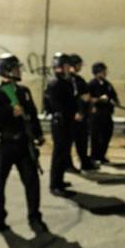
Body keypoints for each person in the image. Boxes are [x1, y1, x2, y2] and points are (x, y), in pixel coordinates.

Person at [0, 53, 48, 233]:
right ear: (6, 70)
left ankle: (35, 216)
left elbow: (32, 114)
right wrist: (9, 110)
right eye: (16, 67)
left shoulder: (23, 91)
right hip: (3, 144)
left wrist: (38, 135)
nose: (19, 70)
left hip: (23, 144)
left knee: (32, 182)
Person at [44, 53, 77, 196]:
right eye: (67, 65)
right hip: (60, 122)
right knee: (59, 153)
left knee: (64, 153)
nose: (70, 68)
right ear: (62, 67)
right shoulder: (55, 83)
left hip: (67, 121)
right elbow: (55, 104)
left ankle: (60, 180)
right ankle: (55, 185)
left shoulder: (66, 81)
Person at [68, 53, 98, 171]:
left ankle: (84, 162)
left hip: (82, 115)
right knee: (70, 142)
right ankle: (68, 164)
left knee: (82, 140)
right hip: (74, 116)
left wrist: (89, 106)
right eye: (79, 65)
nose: (80, 67)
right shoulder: (70, 80)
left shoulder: (78, 79)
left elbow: (86, 95)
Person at [88, 62, 120, 164]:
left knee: (107, 134)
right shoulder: (91, 84)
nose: (105, 73)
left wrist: (115, 101)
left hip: (107, 114)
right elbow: (88, 99)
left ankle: (102, 155)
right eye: (103, 71)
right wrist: (99, 99)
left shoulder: (107, 84)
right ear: (97, 72)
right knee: (96, 136)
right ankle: (94, 156)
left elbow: (113, 95)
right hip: (96, 114)